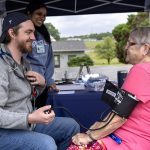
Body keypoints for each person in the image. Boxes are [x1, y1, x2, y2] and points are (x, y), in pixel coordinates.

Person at [0, 12, 80, 150]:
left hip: (26, 124)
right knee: (46, 144)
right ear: (12, 33)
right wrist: (29, 118)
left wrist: (42, 84)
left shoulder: (24, 63)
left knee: (71, 126)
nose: (33, 37)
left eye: (34, 33)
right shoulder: (1, 65)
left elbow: (28, 95)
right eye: (28, 32)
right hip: (5, 131)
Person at [68, 27, 150, 150]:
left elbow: (119, 116)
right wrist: (95, 129)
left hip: (131, 140)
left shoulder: (140, 70)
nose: (125, 47)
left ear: (145, 48)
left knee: (77, 147)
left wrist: (90, 137)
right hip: (141, 139)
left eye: (130, 43)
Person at [25, 0, 59, 108]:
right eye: (39, 14)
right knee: (28, 117)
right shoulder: (23, 34)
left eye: (44, 15)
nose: (42, 18)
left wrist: (49, 81)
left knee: (41, 116)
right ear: (29, 14)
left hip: (42, 85)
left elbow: (49, 61)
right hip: (27, 84)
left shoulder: (44, 34)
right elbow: (19, 60)